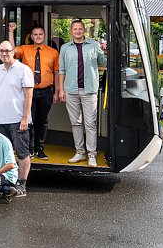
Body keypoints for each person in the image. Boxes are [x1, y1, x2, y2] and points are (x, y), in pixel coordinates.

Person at [57, 20, 107, 168]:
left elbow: (103, 62)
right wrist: (60, 89)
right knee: (75, 123)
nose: (77, 31)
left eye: (80, 29)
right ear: (71, 31)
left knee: (90, 124)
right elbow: (61, 70)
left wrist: (105, 52)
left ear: (83, 30)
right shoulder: (65, 48)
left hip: (89, 90)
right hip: (71, 90)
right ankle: (80, 152)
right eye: (75, 29)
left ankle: (92, 155)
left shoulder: (93, 45)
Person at [0, 40, 33, 197]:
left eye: (7, 50)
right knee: (3, 154)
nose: (4, 53)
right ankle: (6, 183)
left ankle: (22, 184)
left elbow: (28, 95)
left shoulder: (23, 70)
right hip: (0, 120)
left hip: (18, 119)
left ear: (14, 52)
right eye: (1, 51)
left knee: (22, 152)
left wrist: (25, 118)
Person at [8, 22, 60, 160]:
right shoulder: (25, 49)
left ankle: (39, 149)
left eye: (40, 34)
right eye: (35, 34)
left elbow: (56, 72)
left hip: (46, 91)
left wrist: (57, 91)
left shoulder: (53, 52)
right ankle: (29, 149)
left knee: (42, 121)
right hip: (28, 92)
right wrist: (11, 32)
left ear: (44, 36)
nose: (38, 36)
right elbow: (11, 52)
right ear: (31, 36)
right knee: (28, 121)